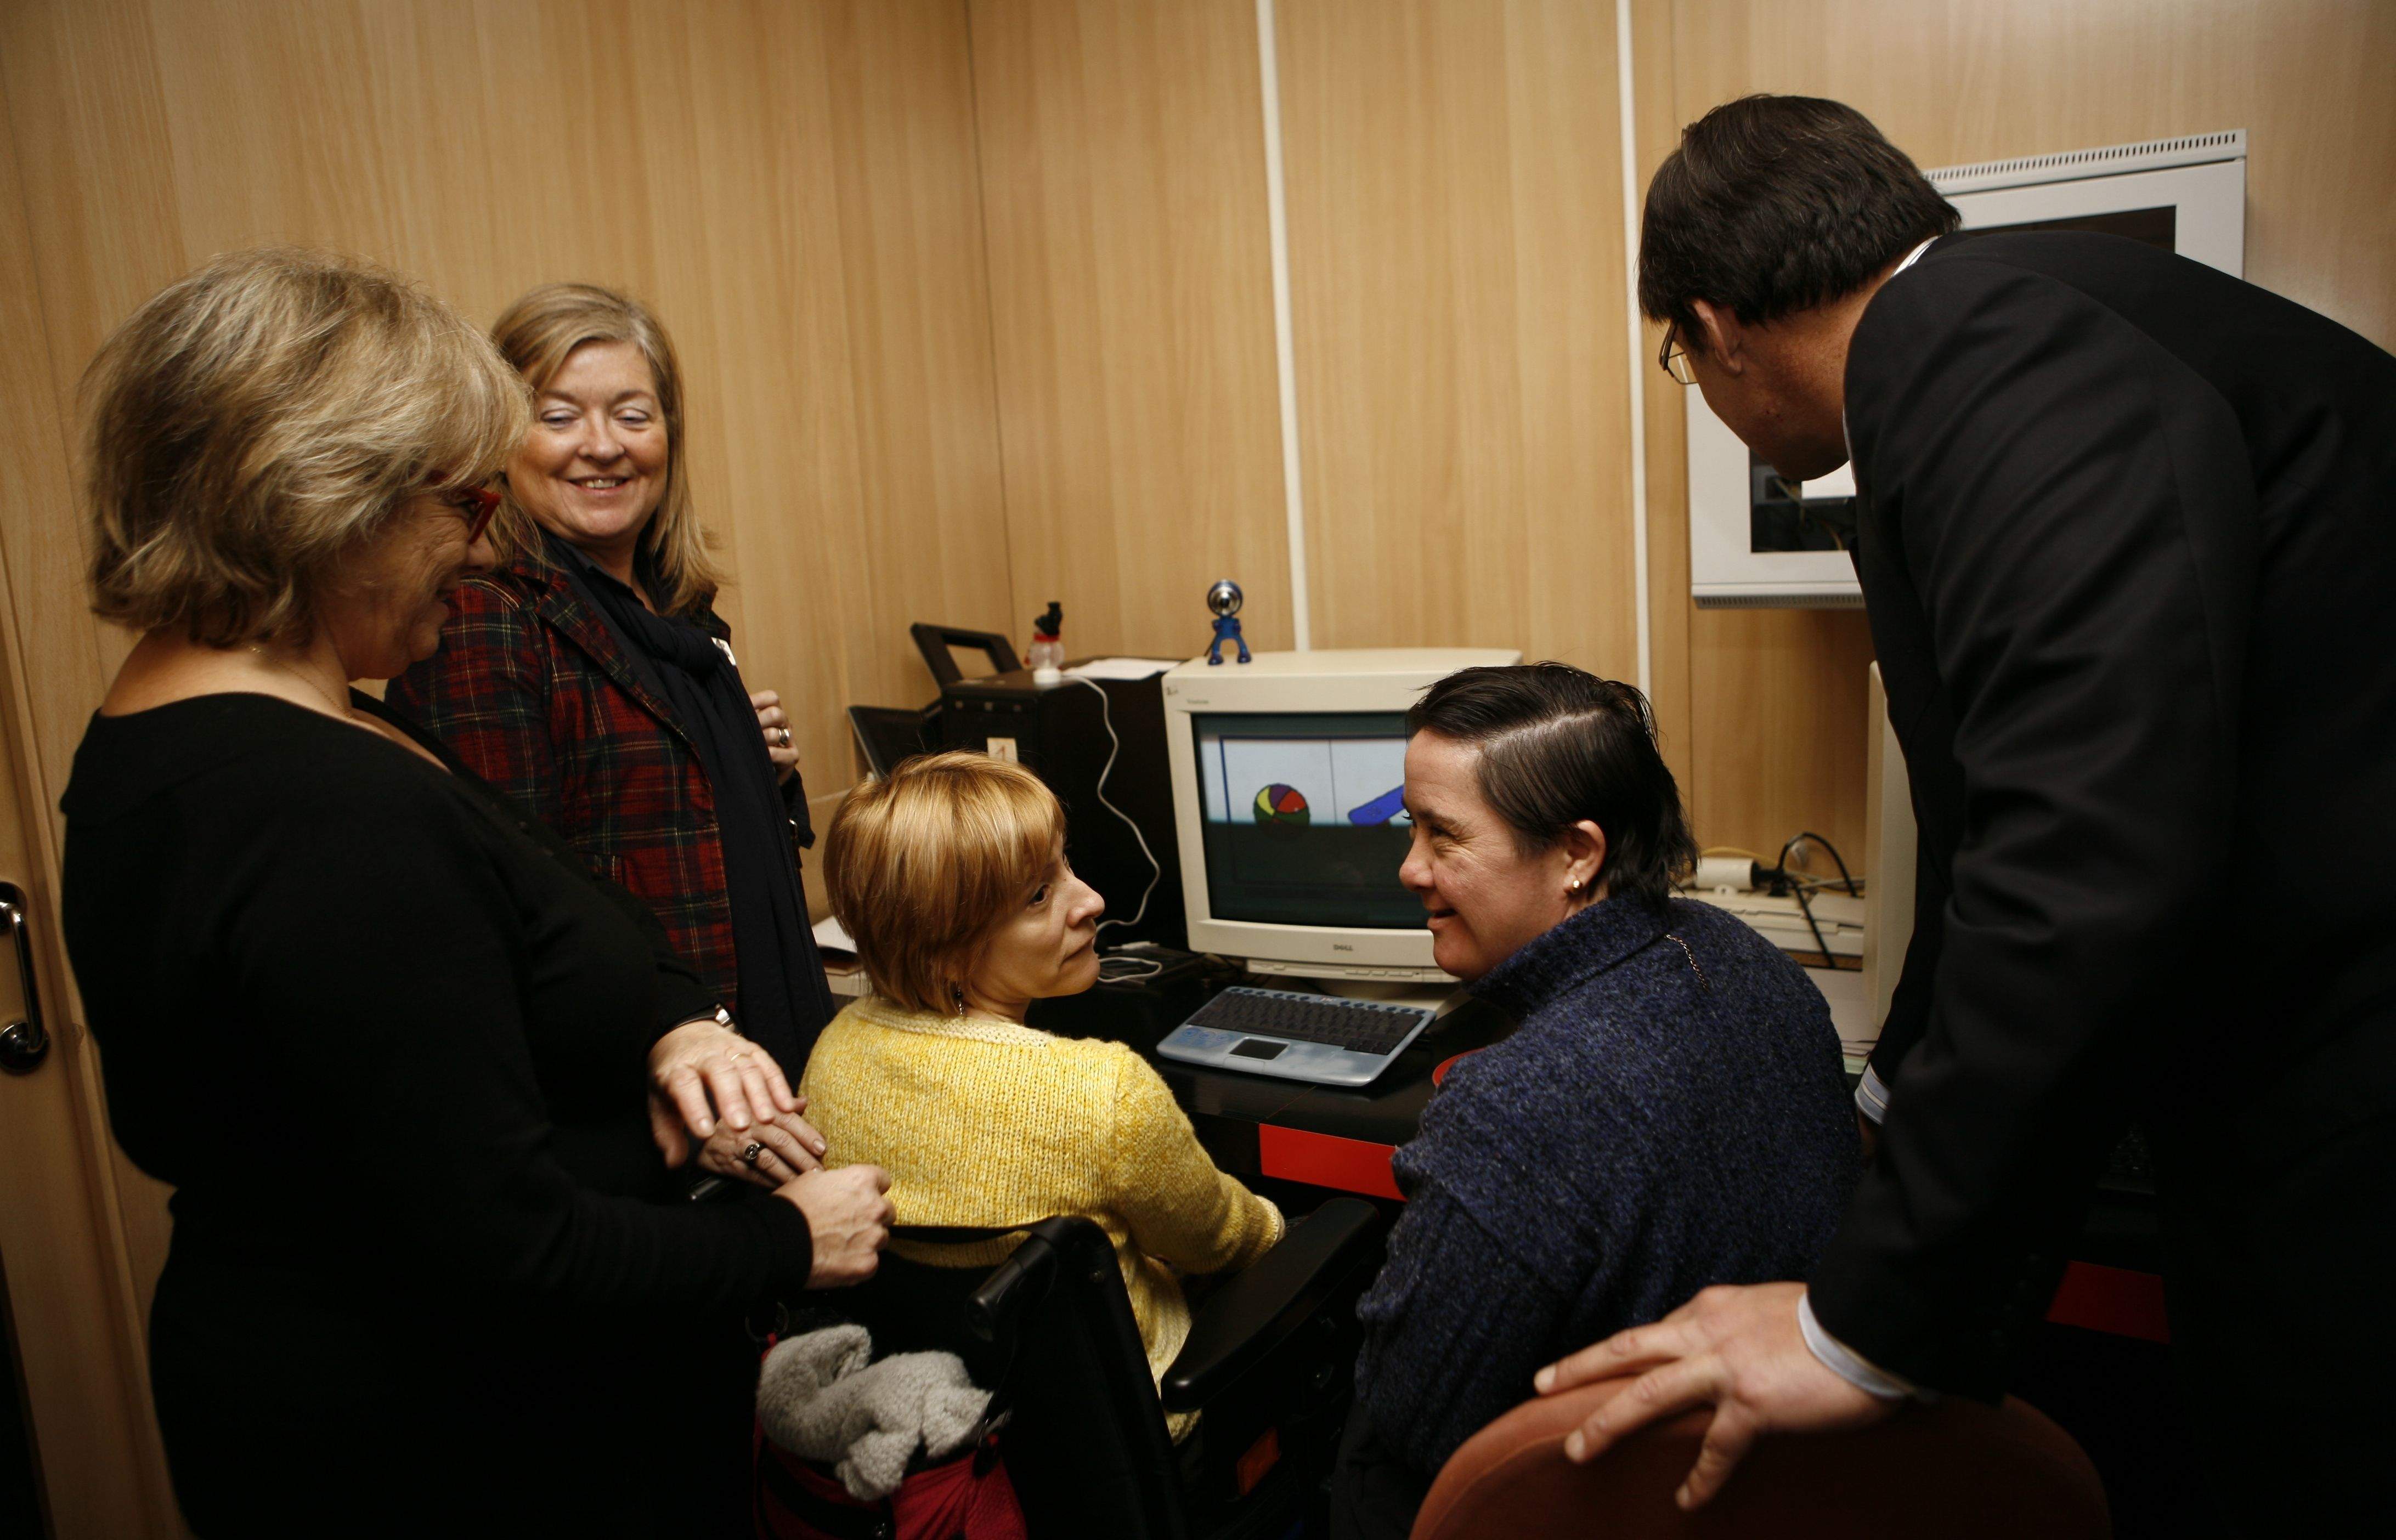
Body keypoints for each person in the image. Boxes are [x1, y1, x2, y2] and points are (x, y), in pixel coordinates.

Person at [1539, 95, 2396, 1533]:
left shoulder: (1988, 357)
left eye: (1683, 361)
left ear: (1718, 325)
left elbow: (2087, 858)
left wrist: (1861, 1322)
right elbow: (2002, 828)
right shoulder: (2012, 334)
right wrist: (1889, 1100)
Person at [60, 250, 894, 1536]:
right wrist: (792, 1241)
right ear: (331, 504)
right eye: (460, 500)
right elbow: (506, 1247)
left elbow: (542, 917)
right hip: (446, 1439)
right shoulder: (314, 809)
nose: (484, 538)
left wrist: (667, 1024)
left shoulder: (279, 722)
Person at [1329, 664, 1858, 1540]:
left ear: (1577, 854)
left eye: (1443, 836)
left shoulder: (1517, 1110)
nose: (1411, 867)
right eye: (1410, 827)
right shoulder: (1746, 958)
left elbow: (1412, 1420)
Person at [389, 282, 835, 1112]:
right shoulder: (480, 619)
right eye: (558, 417)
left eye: (633, 416)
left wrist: (745, 771)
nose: (602, 447)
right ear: (501, 440)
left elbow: (672, 820)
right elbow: (508, 909)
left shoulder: (683, 617)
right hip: (640, 1088)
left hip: (753, 1043)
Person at [802, 750, 1285, 1440]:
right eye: (1038, 896)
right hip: (1135, 1431)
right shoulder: (1102, 1092)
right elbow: (1221, 1242)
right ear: (944, 950)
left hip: (964, 1424)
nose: (1090, 901)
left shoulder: (833, 1053)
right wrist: (1279, 1227)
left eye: (1065, 865)